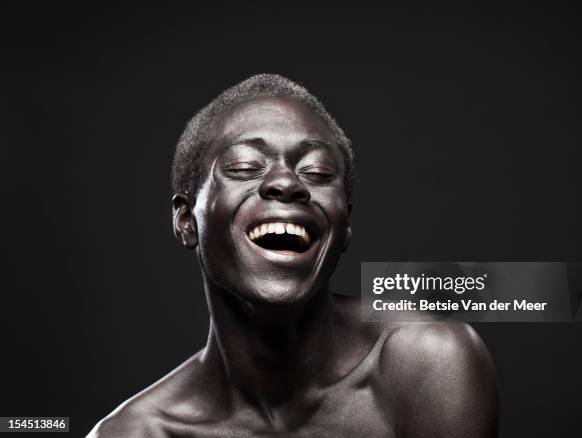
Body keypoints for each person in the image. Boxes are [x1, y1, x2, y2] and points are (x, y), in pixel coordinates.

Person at [87, 74, 498, 437]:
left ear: (345, 227)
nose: (286, 182)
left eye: (317, 172)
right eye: (246, 166)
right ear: (185, 222)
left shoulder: (428, 363)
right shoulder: (135, 433)